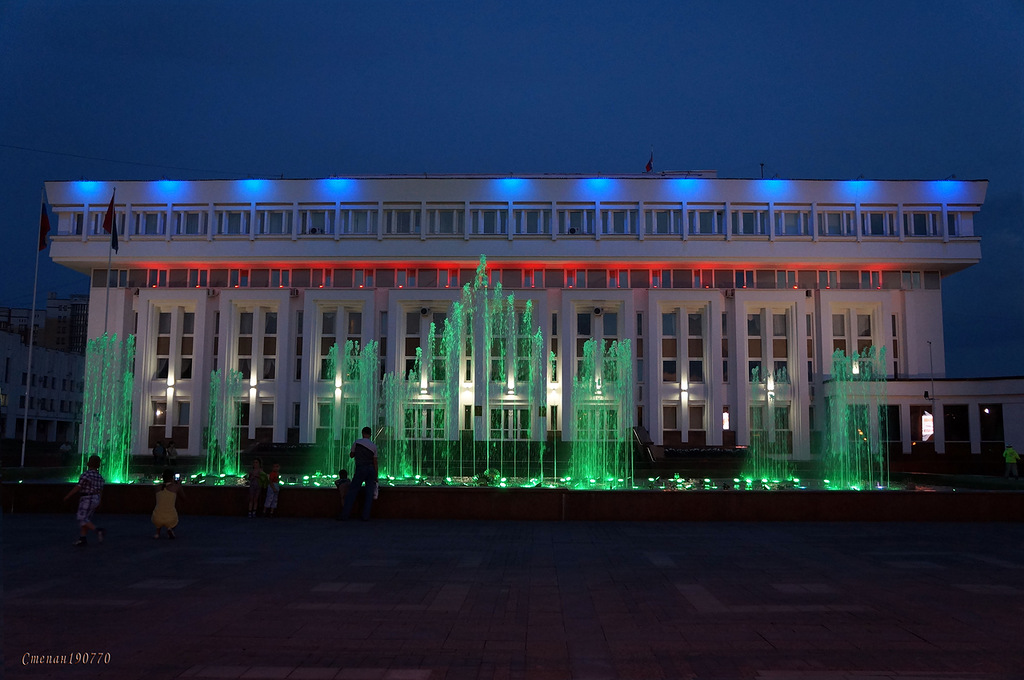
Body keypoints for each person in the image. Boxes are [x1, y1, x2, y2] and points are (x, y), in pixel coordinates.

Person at [63, 455, 105, 547]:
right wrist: (100, 501)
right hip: (96, 498)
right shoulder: (99, 476)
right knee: (86, 519)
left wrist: (68, 496)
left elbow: (78, 486)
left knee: (81, 517)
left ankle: (98, 530)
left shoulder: (86, 474)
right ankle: (82, 538)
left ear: (88, 463)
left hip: (87, 498)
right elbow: (101, 490)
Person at [340, 427, 378, 521]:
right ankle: (365, 516)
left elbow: (351, 455)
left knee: (352, 491)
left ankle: (345, 515)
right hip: (370, 469)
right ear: (370, 435)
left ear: (362, 433)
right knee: (369, 493)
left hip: (361, 468)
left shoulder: (357, 442)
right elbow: (375, 462)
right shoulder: (373, 446)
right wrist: (376, 475)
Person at [152, 468, 186, 539]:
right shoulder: (176, 487)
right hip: (171, 518)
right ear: (172, 478)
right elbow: (183, 498)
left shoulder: (157, 487)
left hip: (156, 517)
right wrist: (179, 484)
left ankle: (157, 533)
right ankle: (170, 528)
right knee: (174, 520)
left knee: (159, 515)